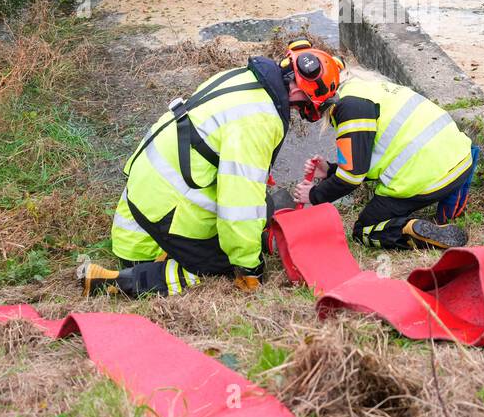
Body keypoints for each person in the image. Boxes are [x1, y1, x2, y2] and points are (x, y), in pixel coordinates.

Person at [79, 40, 345, 297]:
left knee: (263, 207)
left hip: (146, 205)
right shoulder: (260, 120)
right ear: (300, 94)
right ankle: (124, 282)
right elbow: (238, 202)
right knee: (222, 264)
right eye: (305, 108)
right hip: (151, 237)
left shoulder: (242, 79)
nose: (298, 113)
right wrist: (249, 266)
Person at [290, 72, 479, 252]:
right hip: (460, 159)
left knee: (363, 229)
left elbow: (352, 177)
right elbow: (370, 154)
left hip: (429, 175)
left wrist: (314, 195)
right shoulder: (365, 87)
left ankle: (408, 229)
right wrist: (331, 170)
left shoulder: (348, 108)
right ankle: (443, 210)